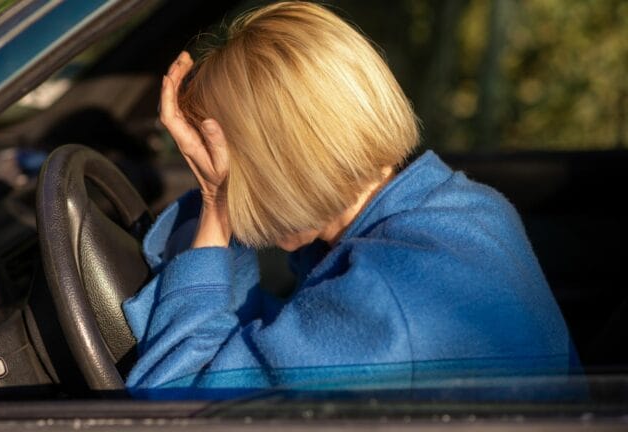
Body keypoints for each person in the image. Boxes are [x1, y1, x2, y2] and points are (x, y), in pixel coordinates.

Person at [122, 1, 575, 399]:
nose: (223, 178)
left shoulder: (380, 301)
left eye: (229, 165)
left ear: (276, 165)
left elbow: (172, 405)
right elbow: (270, 343)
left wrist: (218, 208)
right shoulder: (469, 210)